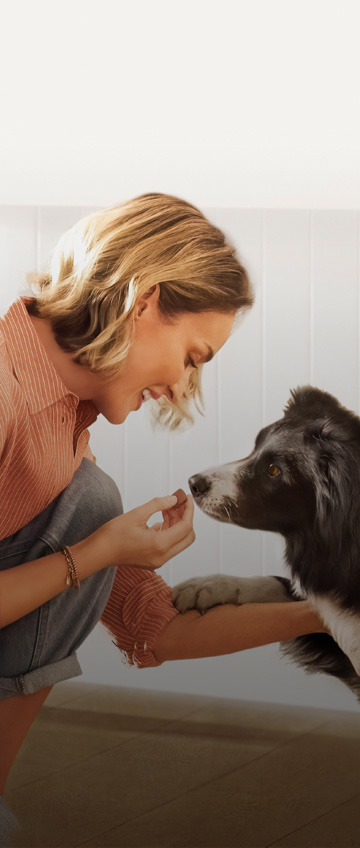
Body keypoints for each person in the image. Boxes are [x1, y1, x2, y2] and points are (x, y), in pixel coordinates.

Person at [0, 193, 326, 845]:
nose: (181, 389)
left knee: (93, 499)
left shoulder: (62, 442)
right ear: (144, 303)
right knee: (94, 505)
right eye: (193, 357)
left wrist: (331, 612)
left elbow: (157, 632)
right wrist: (91, 554)